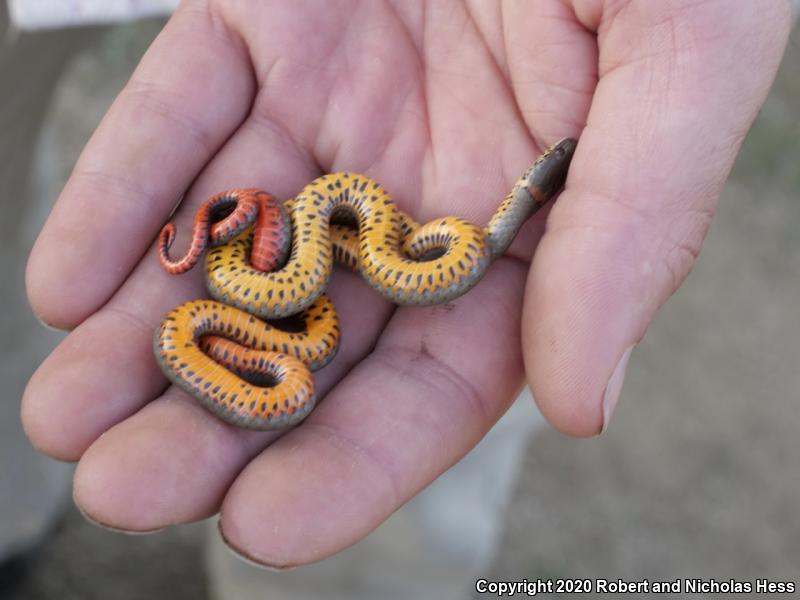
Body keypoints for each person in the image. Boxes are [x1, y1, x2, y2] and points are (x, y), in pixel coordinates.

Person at [20, 0, 794, 591]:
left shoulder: (418, 244)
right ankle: (12, 516)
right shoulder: (271, 268)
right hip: (256, 278)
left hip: (289, 291)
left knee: (397, 461)